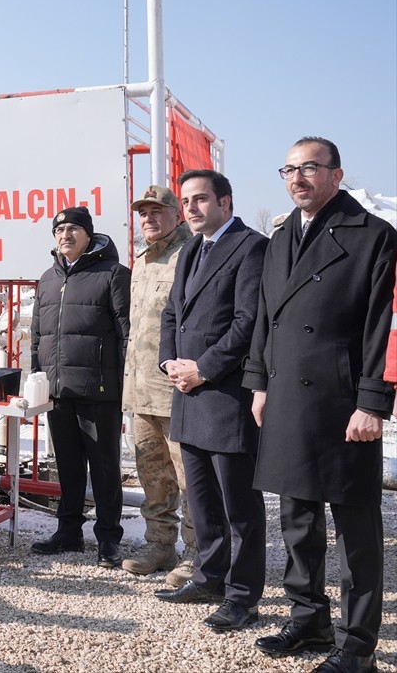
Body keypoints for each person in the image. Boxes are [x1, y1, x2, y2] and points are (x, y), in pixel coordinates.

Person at [245, 137, 396, 673]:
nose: (298, 178)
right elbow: (267, 316)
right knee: (297, 518)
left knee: (355, 529)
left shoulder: (374, 235)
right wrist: (259, 382)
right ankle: (308, 618)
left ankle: (358, 646)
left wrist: (373, 402)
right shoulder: (282, 233)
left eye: (310, 167)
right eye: (289, 169)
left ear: (337, 174)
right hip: (286, 396)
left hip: (342, 401)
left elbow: (385, 325)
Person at [153, 170, 267, 633]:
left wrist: (201, 367)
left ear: (225, 200)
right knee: (201, 501)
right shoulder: (191, 250)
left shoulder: (251, 247)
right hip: (187, 393)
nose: (193, 208)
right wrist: (169, 365)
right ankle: (209, 578)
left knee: (239, 506)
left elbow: (247, 322)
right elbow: (171, 313)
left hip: (225, 394)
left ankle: (243, 596)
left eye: (201, 199)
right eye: (187, 201)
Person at [29, 206, 130, 567]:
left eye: (73, 229)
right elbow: (37, 336)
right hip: (59, 392)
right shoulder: (48, 278)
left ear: (89, 235)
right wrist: (37, 380)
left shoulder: (113, 274)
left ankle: (108, 538)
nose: (65, 235)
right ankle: (68, 532)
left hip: (100, 391)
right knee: (68, 467)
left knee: (104, 469)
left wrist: (124, 387)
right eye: (59, 230)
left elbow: (125, 334)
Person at [120, 186, 196, 581]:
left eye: (157, 211)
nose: (148, 218)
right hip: (140, 388)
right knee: (152, 474)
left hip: (176, 390)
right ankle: (159, 544)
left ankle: (197, 552)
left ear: (176, 214)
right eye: (143, 212)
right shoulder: (143, 260)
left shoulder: (191, 254)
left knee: (190, 477)